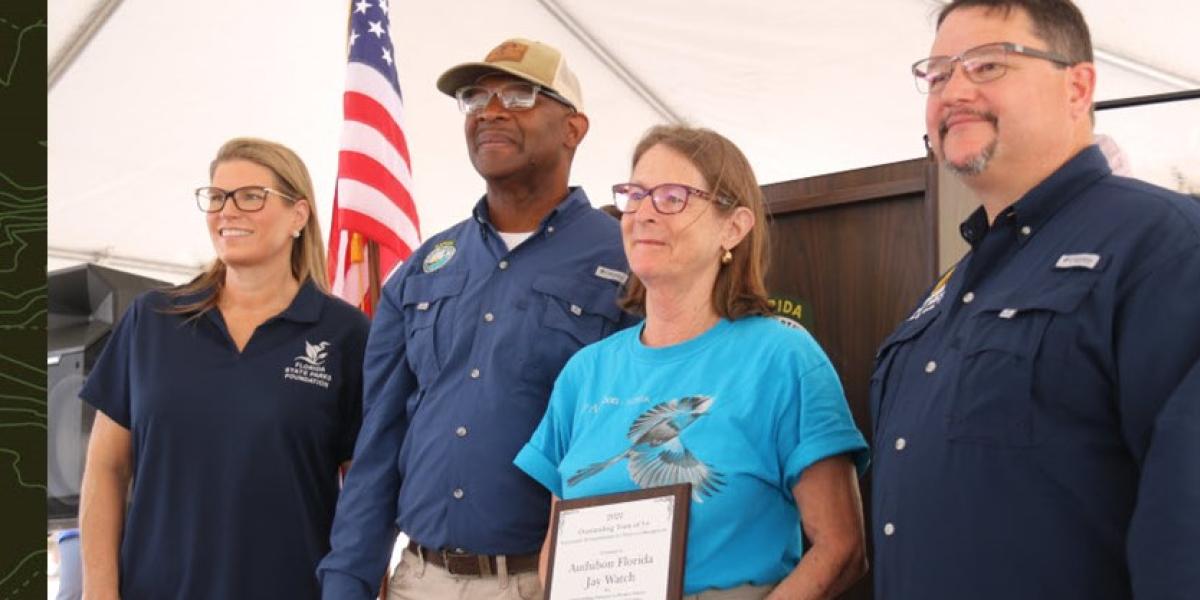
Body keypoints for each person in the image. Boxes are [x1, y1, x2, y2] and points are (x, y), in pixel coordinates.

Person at [871, 1, 1200, 598]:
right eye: (938, 74)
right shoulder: (958, 284)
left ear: (1078, 86)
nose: (954, 91)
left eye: (987, 65)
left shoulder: (1175, 252)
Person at [319, 39, 633, 600]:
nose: (490, 111)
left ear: (573, 129)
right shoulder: (424, 268)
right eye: (474, 98)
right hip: (421, 578)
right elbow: (380, 440)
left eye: (519, 95)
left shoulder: (628, 261)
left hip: (556, 581)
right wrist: (348, 580)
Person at [515, 125, 869, 600]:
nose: (643, 213)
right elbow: (556, 546)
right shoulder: (584, 372)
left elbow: (841, 548)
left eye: (672, 197)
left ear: (734, 226)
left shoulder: (782, 356)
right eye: (635, 194)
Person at [78, 137, 370, 599]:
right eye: (216, 197)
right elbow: (106, 468)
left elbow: (365, 491)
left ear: (299, 215)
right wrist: (99, 591)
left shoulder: (346, 333)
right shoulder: (152, 319)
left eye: (251, 196)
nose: (227, 211)